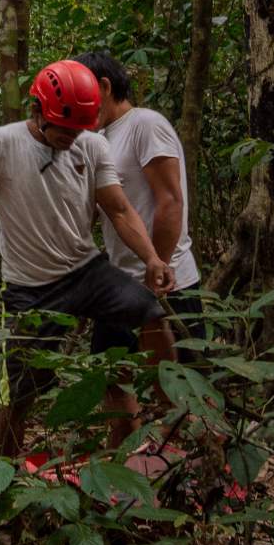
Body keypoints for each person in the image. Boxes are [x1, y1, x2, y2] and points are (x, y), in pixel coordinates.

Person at [0, 59, 175, 458]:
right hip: (29, 286)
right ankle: (1, 472)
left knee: (150, 310)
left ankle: (175, 414)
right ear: (37, 112)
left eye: (80, 129)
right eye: (64, 130)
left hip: (86, 270)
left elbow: (118, 210)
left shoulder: (92, 145)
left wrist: (152, 258)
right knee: (19, 389)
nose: (72, 138)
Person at [71, 52, 204, 345]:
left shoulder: (145, 124)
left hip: (167, 282)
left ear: (104, 87)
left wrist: (158, 269)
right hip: (121, 283)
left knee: (179, 383)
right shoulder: (100, 139)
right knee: (113, 380)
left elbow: (170, 201)